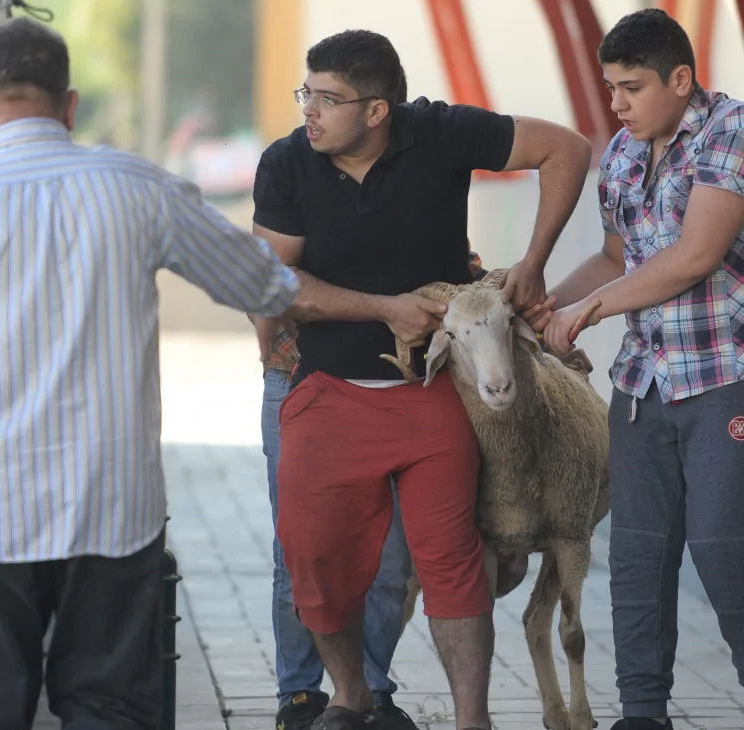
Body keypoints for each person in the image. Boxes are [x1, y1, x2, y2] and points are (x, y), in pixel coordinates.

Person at [251, 28, 592, 730]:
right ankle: (333, 697)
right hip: (322, 385)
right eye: (305, 93)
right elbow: (271, 282)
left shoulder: (440, 132)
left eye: (327, 98)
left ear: (378, 111)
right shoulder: (287, 162)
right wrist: (383, 309)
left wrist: (532, 262)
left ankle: (470, 719)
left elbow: (568, 147)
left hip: (432, 392)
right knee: (311, 555)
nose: (308, 110)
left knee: (446, 560)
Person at [0, 17, 301, 730]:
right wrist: (381, 301)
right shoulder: (134, 186)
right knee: (109, 710)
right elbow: (265, 286)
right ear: (69, 105)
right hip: (110, 502)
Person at [526, 9, 744, 730]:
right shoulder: (621, 153)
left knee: (721, 540)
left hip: (733, 372)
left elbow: (694, 255)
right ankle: (643, 715)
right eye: (611, 87)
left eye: (631, 87)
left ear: (681, 80)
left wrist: (589, 312)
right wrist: (542, 304)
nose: (616, 103)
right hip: (645, 382)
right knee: (636, 556)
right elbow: (618, 262)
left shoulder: (735, 131)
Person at [259, 248, 491, 730]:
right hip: (300, 374)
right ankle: (301, 695)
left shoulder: (409, 191)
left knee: (389, 562)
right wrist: (271, 345)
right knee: (303, 553)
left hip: (402, 382)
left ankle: (368, 690)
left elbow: (457, 268)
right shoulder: (299, 183)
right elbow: (264, 276)